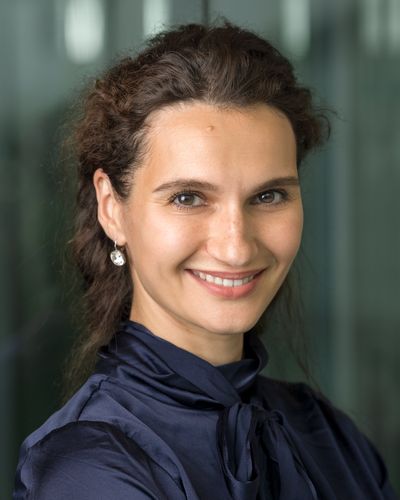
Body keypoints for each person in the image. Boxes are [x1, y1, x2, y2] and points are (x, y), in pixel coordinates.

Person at [13, 22, 397, 500]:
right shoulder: (88, 470)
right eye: (188, 198)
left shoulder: (328, 433)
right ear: (112, 209)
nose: (236, 248)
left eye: (269, 195)